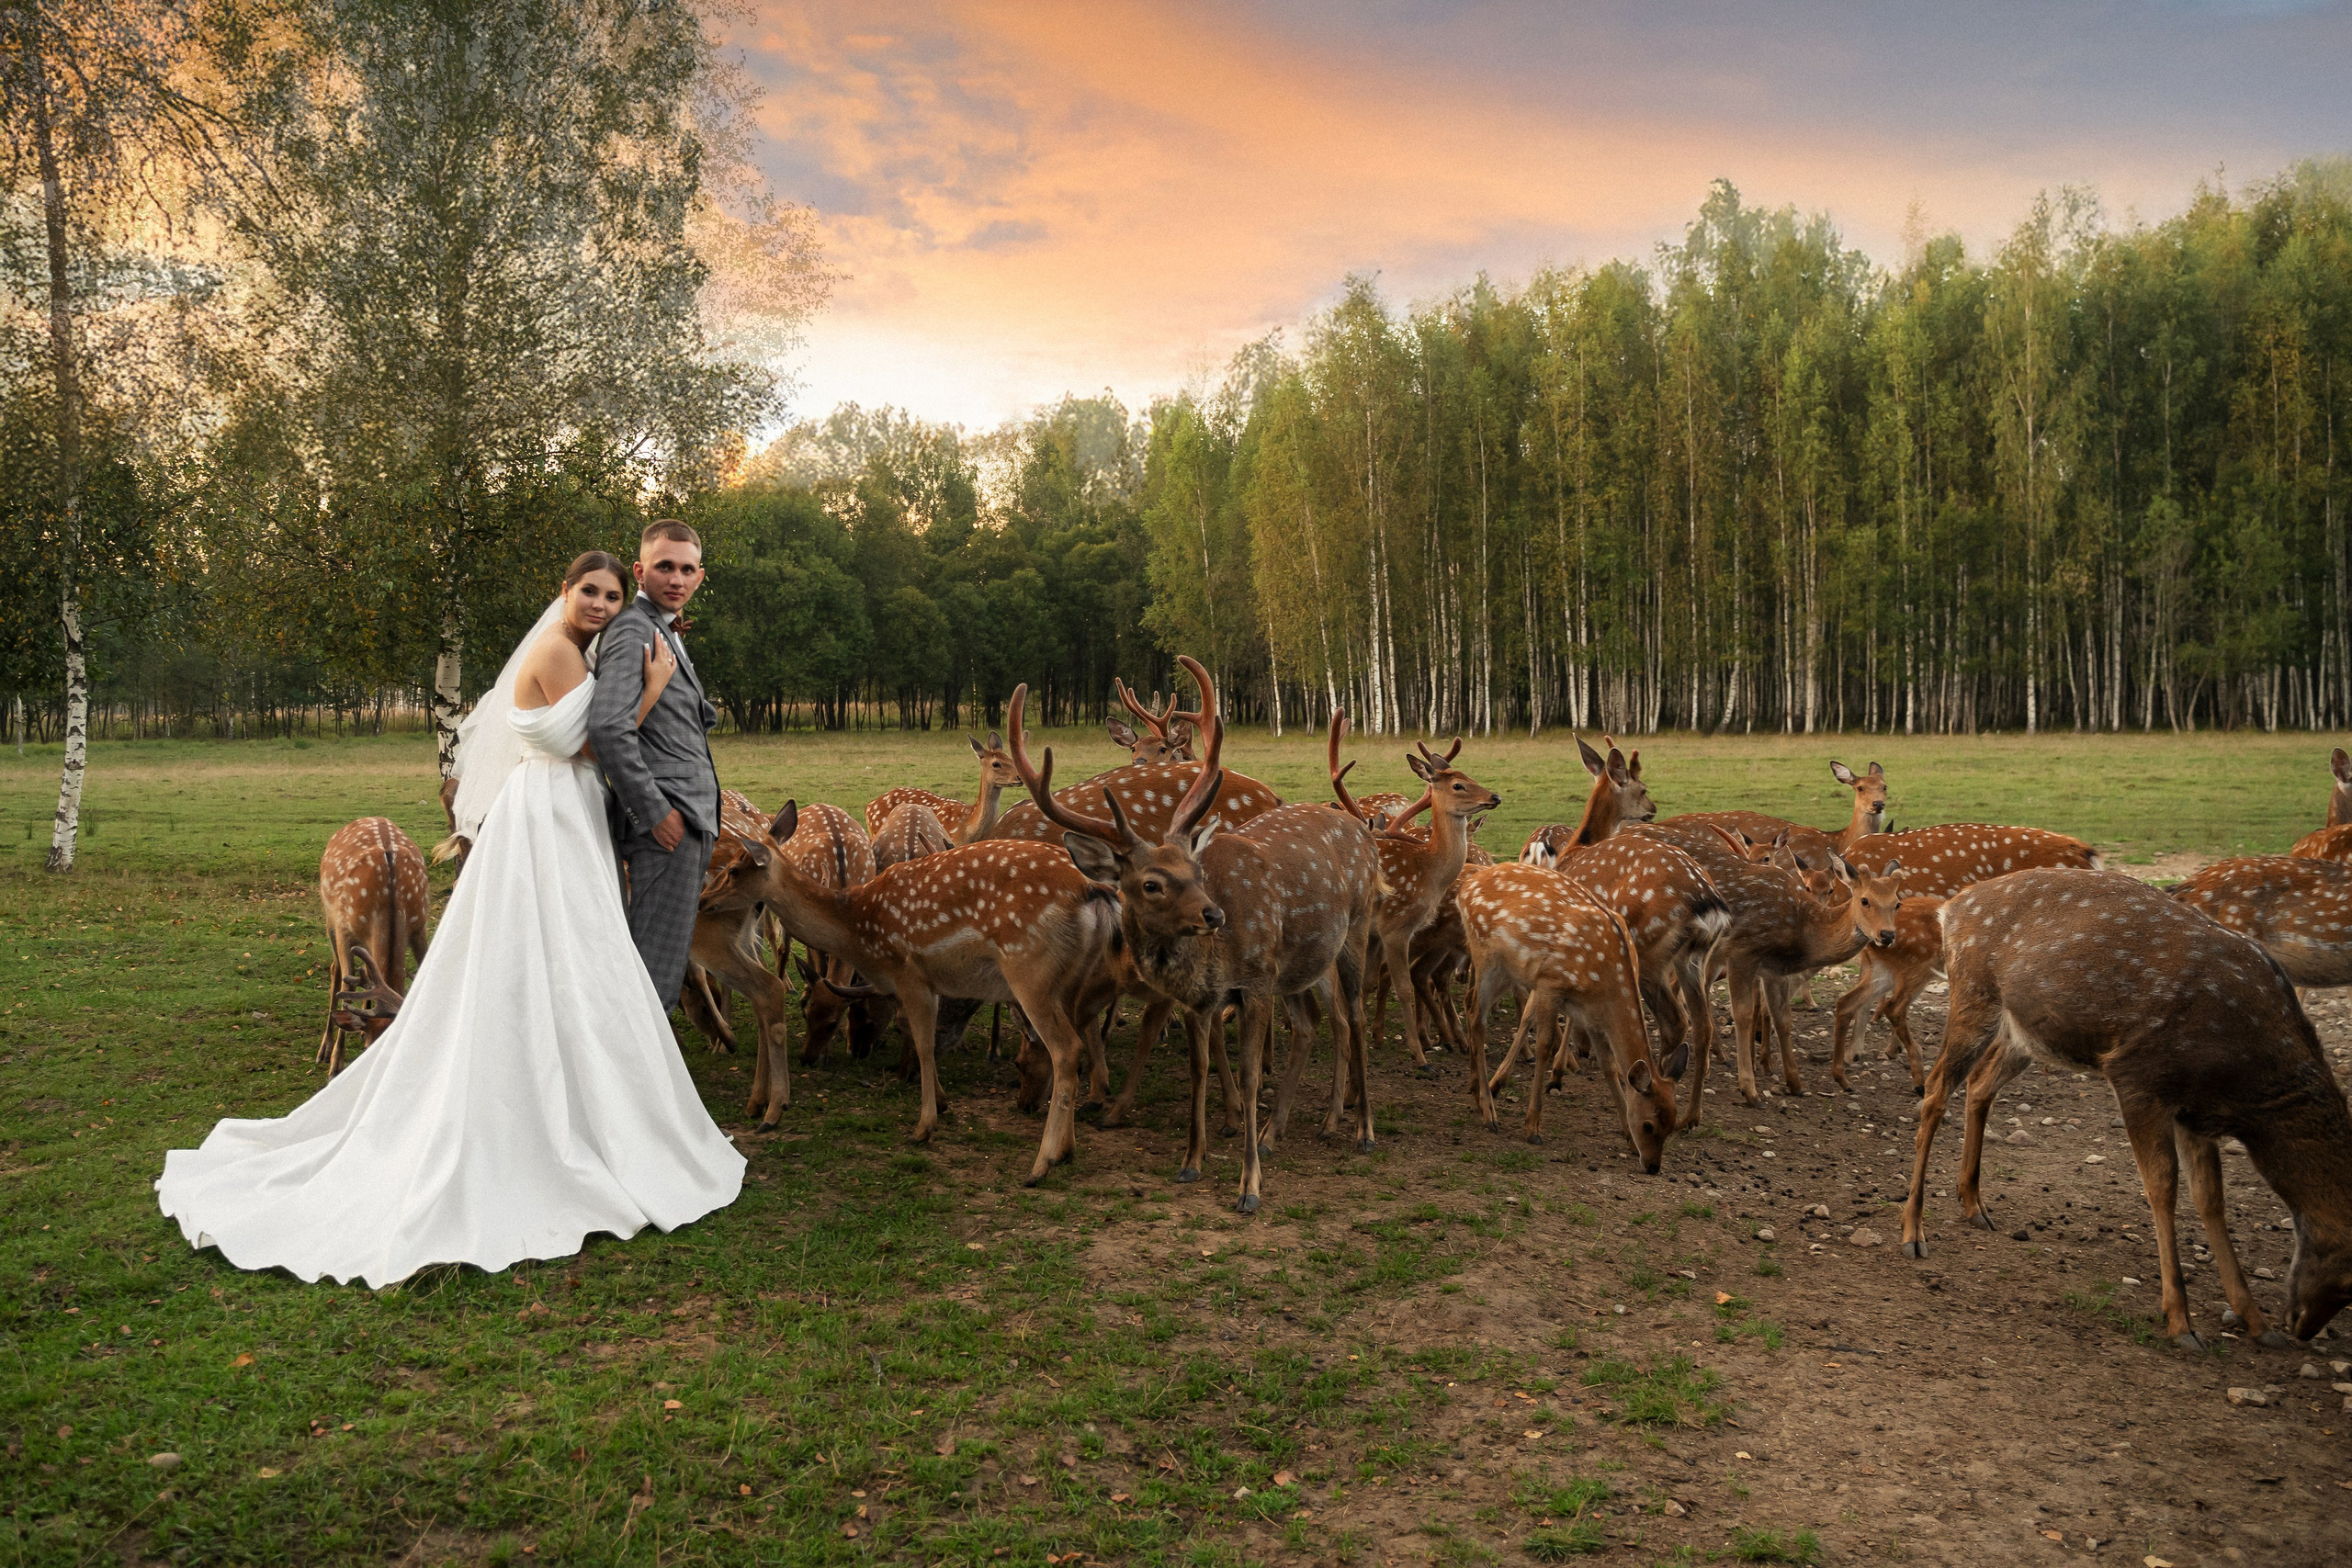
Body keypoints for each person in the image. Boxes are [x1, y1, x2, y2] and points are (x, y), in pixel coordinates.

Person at [153, 551, 742, 1288]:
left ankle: (583, 1097)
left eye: (609, 594)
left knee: (571, 953)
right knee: (556, 948)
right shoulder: (556, 648)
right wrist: (651, 689)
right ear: (563, 591)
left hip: (568, 811)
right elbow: (594, 741)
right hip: (550, 812)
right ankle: (549, 1114)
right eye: (588, 590)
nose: (598, 602)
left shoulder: (578, 646)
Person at [586, 519, 720, 1015]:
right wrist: (655, 812)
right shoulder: (633, 631)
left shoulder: (662, 627)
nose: (677, 578)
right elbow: (607, 727)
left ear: (700, 576)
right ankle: (632, 1089)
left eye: (687, 569)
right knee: (651, 978)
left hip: (686, 822)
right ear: (640, 571)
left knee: (660, 970)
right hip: (667, 827)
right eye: (665, 566)